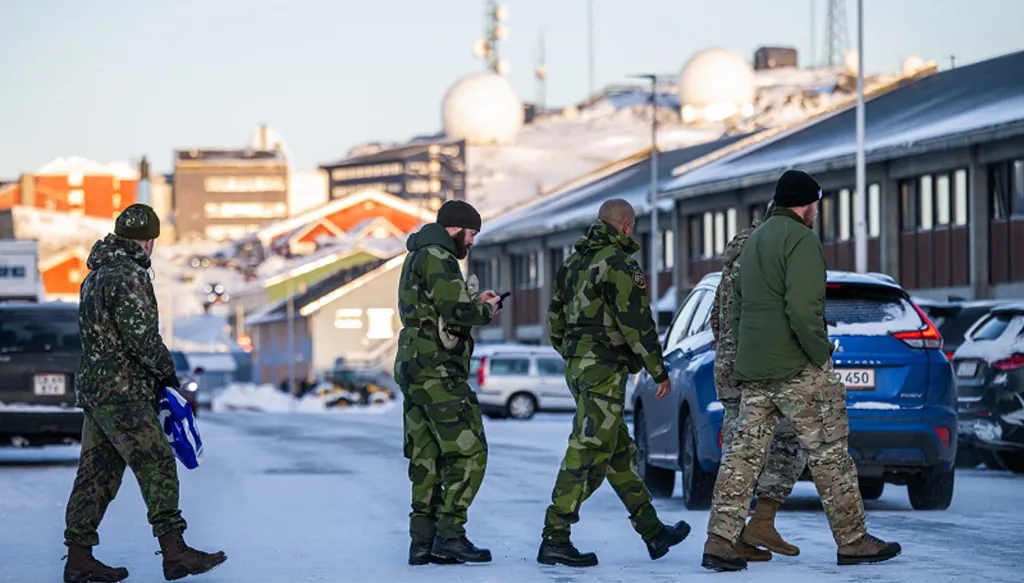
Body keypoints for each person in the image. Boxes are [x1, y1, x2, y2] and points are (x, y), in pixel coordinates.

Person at [701, 170, 902, 572]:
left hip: (754, 369)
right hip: (796, 368)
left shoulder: (752, 241)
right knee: (829, 453)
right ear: (808, 204)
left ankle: (720, 542)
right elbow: (803, 309)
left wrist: (745, 360)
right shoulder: (802, 239)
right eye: (816, 204)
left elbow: (735, 311)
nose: (815, 212)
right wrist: (820, 353)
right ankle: (853, 541)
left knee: (742, 457)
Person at [63, 204, 226, 583]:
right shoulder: (129, 275)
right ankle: (175, 551)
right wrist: (167, 373)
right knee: (156, 462)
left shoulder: (96, 275)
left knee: (95, 474)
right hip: (124, 391)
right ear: (149, 241)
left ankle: (79, 558)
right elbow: (140, 337)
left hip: (97, 389)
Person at [537, 198, 690, 568]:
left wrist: (574, 355)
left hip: (579, 365)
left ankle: (653, 533)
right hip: (603, 367)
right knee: (588, 448)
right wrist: (658, 369)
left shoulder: (573, 263)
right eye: (632, 227)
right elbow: (636, 321)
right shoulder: (619, 263)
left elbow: (554, 318)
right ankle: (554, 537)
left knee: (619, 453)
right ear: (624, 226)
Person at [394, 200, 504, 565]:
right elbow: (455, 312)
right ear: (456, 228)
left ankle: (422, 542)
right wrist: (485, 309)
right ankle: (450, 535)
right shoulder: (439, 258)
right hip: (436, 369)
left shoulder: (418, 256)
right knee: (471, 450)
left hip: (415, 365)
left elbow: (441, 306)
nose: (471, 242)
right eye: (471, 233)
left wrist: (472, 300)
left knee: (427, 454)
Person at [708, 199, 808, 562]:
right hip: (756, 371)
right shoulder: (768, 254)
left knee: (764, 446)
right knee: (747, 453)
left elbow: (715, 322)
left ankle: (755, 524)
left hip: (735, 371)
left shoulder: (735, 257)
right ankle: (727, 538)